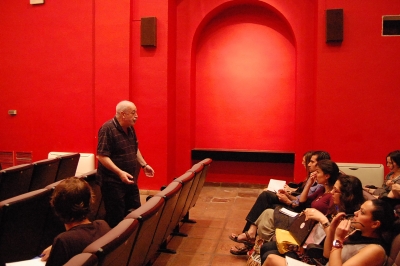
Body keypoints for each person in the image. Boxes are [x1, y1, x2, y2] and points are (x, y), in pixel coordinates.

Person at [229, 151, 331, 255]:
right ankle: (250, 236)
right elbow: (302, 198)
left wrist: (289, 200)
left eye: (311, 162)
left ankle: (250, 237)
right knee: (266, 197)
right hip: (296, 205)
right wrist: (289, 194)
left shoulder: (321, 186)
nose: (307, 164)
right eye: (307, 161)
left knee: (266, 198)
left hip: (299, 213)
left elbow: (302, 204)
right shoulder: (316, 182)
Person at [259, 174, 365, 265]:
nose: (331, 192)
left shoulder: (351, 220)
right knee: (267, 247)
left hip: (318, 256)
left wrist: (322, 220)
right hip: (311, 243)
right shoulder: (336, 207)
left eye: (335, 190)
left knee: (269, 254)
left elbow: (329, 250)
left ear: (347, 196)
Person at [263, 199, 396, 266]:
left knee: (272, 259)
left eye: (362, 212)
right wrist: (332, 228)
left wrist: (338, 238)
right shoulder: (357, 234)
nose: (355, 213)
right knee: (271, 257)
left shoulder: (375, 250)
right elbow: (327, 253)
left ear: (375, 224)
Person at [96, 100, 155, 228]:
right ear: (123, 114)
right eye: (133, 113)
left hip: (129, 179)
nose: (137, 116)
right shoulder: (107, 129)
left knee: (135, 212)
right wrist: (119, 172)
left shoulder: (130, 128)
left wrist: (144, 165)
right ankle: (115, 244)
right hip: (113, 182)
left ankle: (131, 241)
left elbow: (134, 148)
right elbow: (102, 156)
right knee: (116, 217)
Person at [40, 177, 111, 266]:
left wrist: (59, 248)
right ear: (90, 201)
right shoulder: (102, 225)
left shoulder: (64, 241)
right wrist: (56, 249)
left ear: (56, 206)